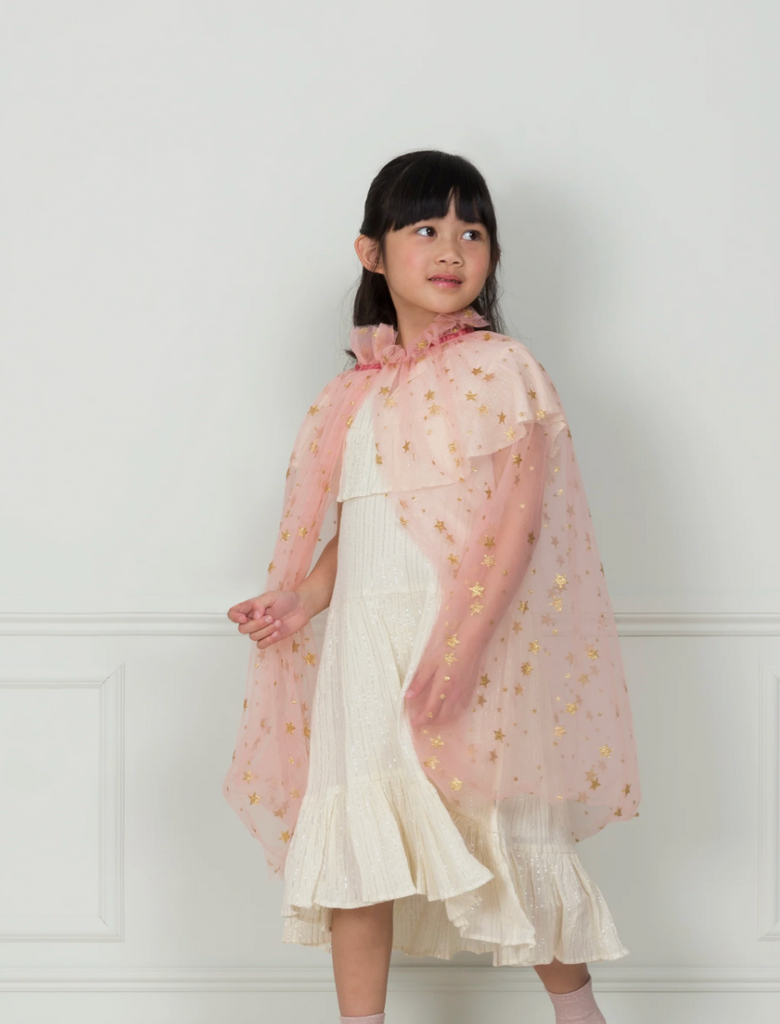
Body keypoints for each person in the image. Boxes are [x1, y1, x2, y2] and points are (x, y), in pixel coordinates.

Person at [223, 150, 641, 1024]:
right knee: (357, 840)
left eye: (472, 231)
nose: (452, 248)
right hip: (364, 648)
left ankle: (582, 1015)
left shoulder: (500, 369)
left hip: (466, 636)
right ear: (372, 253)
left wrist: (462, 647)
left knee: (506, 829)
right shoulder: (354, 393)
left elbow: (519, 523)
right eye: (426, 228)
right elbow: (368, 518)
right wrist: (303, 598)